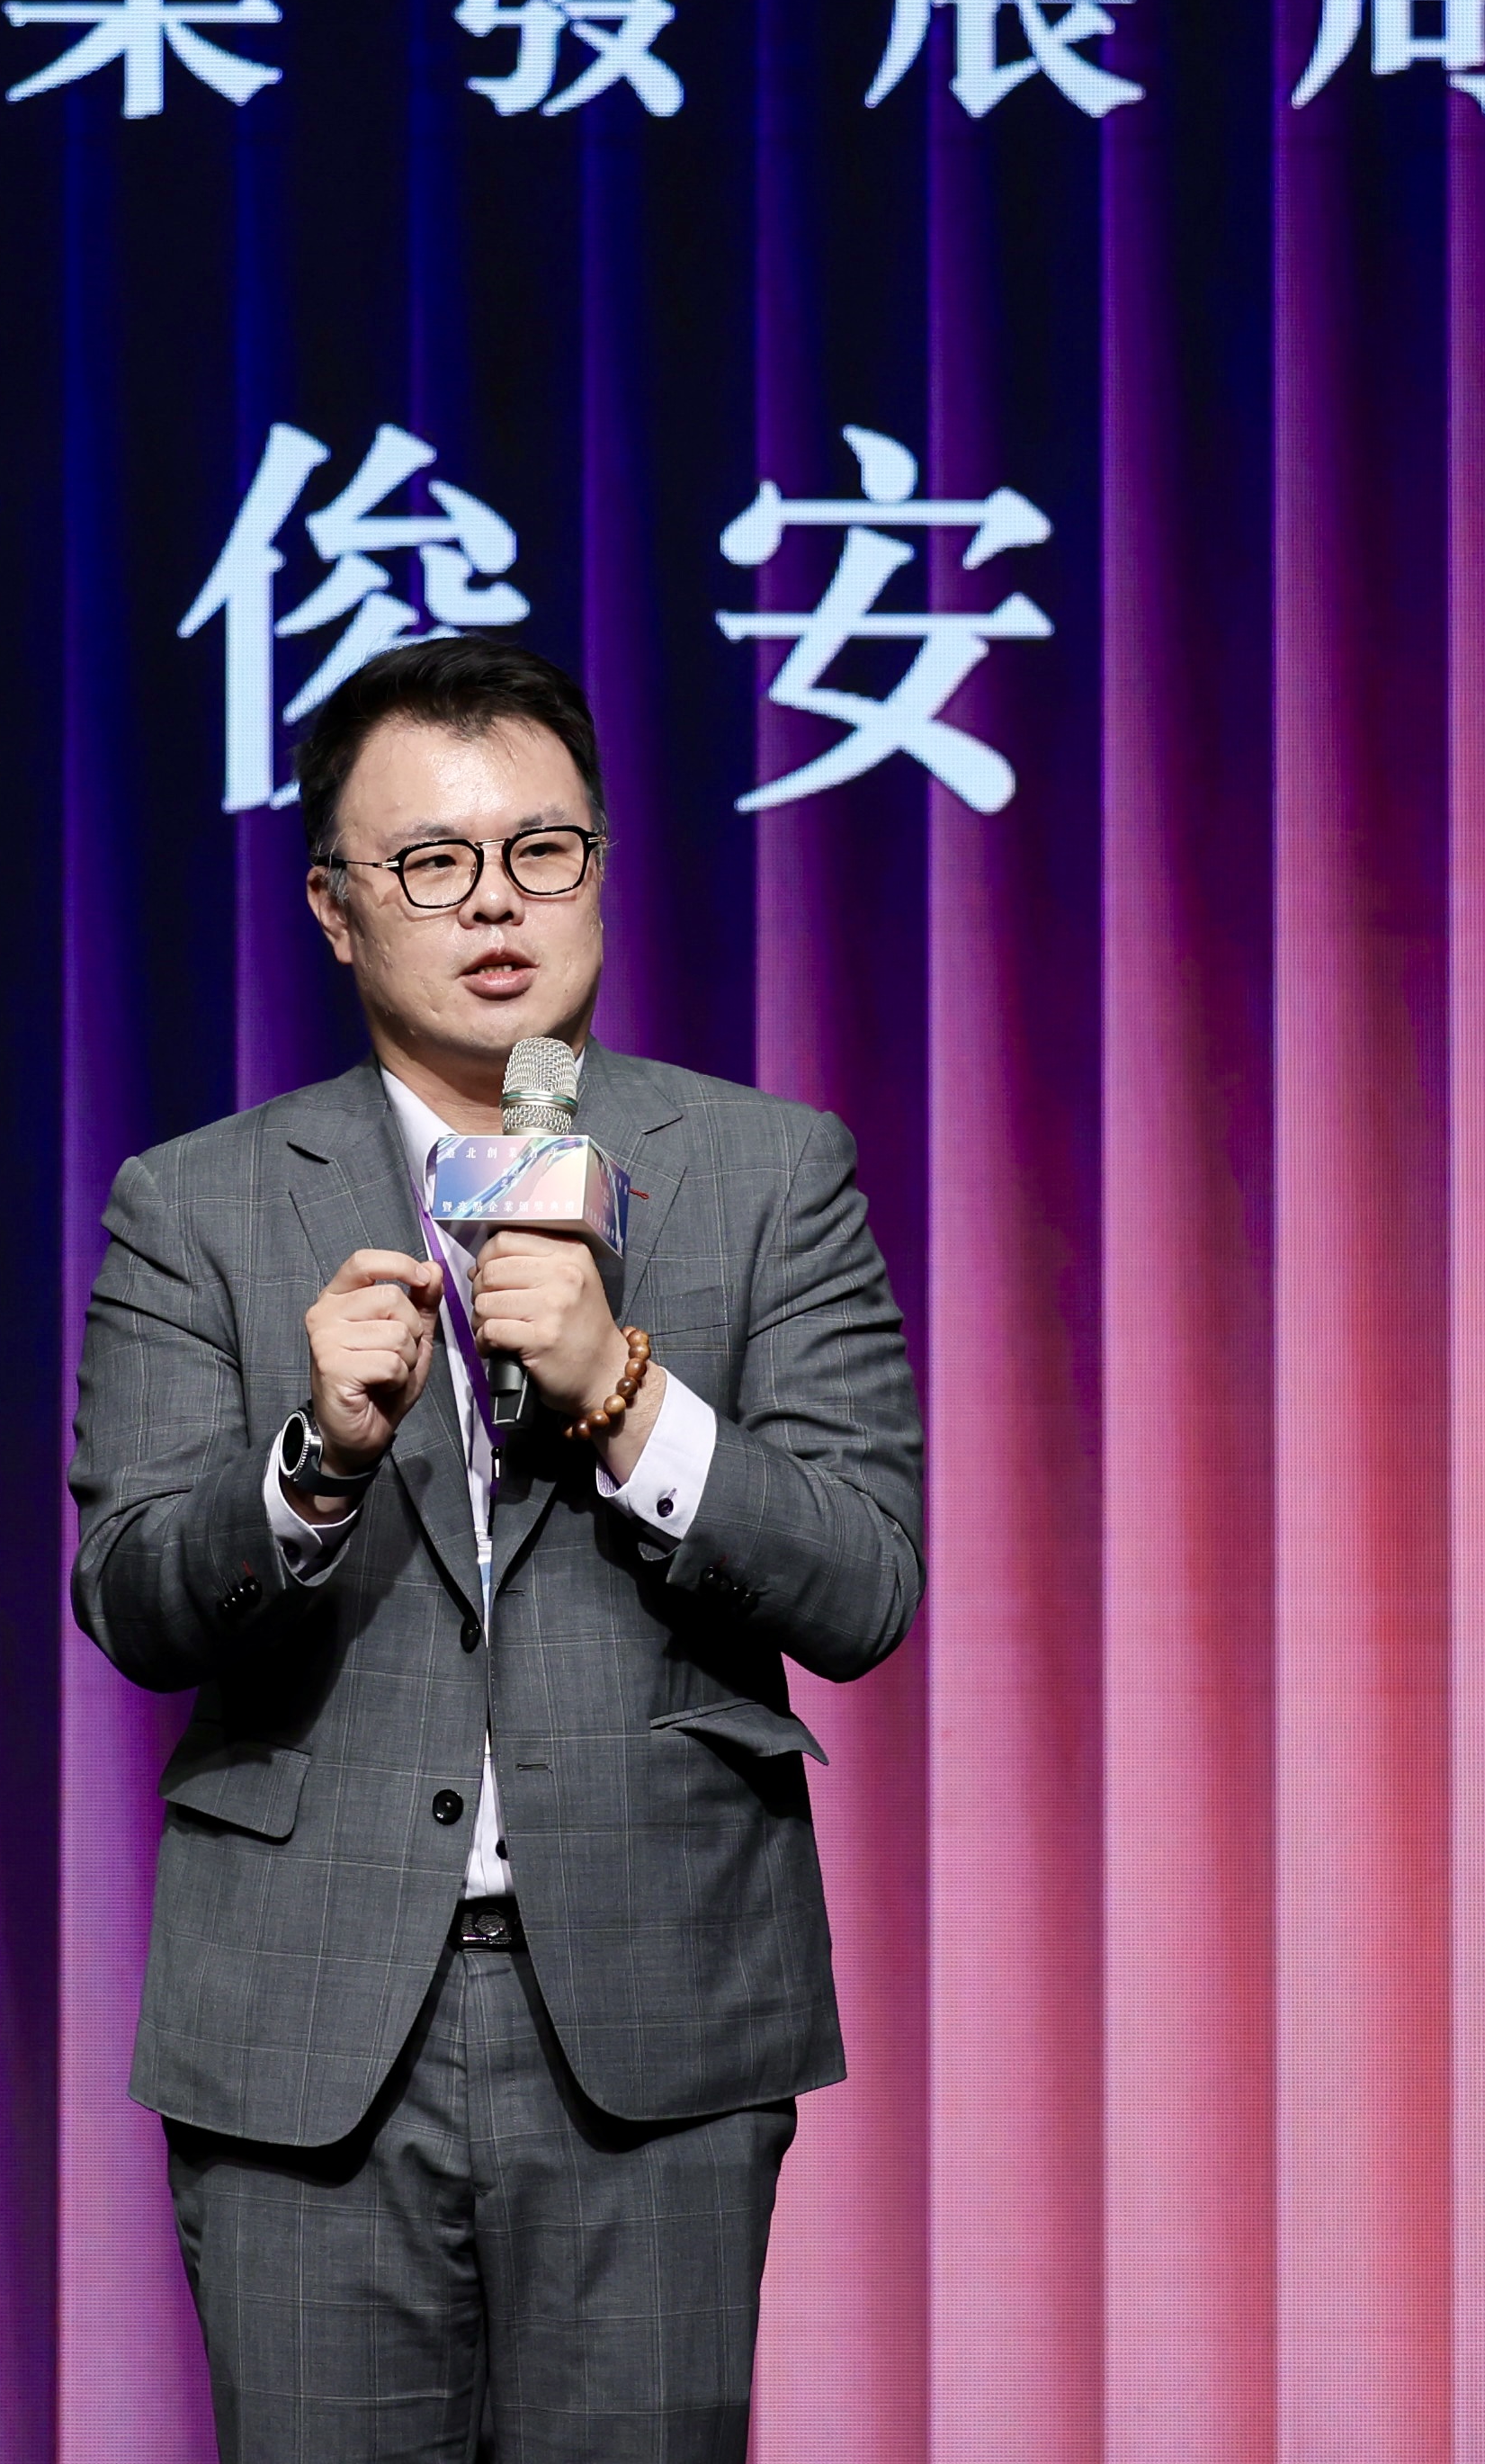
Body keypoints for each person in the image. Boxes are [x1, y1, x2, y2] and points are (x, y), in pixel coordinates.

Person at [72, 633, 926, 2462]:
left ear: (599, 870)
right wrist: (312, 1458)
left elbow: (865, 1583)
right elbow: (135, 1598)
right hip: (306, 2023)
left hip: (658, 2012)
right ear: (334, 908)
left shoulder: (768, 1174)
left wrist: (625, 1392)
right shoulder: (199, 1202)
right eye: (432, 862)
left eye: (544, 850)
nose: (495, 903)